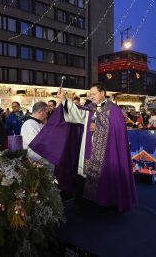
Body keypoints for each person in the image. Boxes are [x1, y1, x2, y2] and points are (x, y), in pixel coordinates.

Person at [31, 83, 137, 212]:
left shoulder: (114, 110)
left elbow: (118, 131)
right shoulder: (89, 107)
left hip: (107, 153)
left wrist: (99, 127)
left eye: (94, 94)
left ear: (103, 93)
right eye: (90, 94)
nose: (91, 96)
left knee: (105, 177)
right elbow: (76, 114)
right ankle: (87, 204)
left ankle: (107, 204)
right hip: (88, 151)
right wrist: (64, 99)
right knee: (84, 177)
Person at [21, 102, 51, 168]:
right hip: (35, 160)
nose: (47, 115)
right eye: (46, 113)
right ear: (40, 112)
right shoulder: (29, 124)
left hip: (42, 158)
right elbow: (37, 144)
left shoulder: (39, 123)